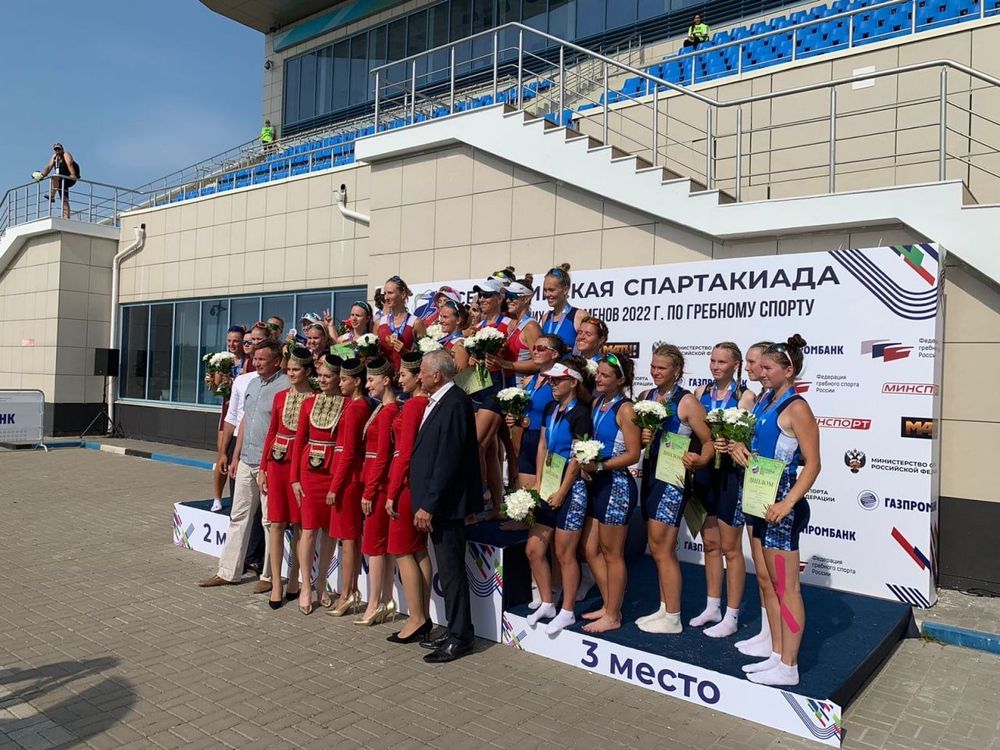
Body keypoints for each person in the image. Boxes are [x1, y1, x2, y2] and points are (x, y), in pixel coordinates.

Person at [726, 336, 819, 687]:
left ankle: (789, 666)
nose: (760, 373)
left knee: (787, 587)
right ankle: (778, 654)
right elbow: (759, 446)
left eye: (767, 368)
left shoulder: (797, 408)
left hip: (780, 505)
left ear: (788, 371)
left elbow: (813, 464)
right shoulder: (766, 400)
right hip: (758, 496)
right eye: (759, 367)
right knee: (770, 582)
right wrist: (738, 448)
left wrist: (787, 503)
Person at [409, 350, 483, 662]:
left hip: (447, 505)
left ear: (437, 375)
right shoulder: (441, 401)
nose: (419, 376)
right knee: (449, 570)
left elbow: (448, 460)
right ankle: (454, 628)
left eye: (423, 372)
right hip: (439, 503)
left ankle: (461, 636)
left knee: (452, 572)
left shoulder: (454, 403)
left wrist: (430, 504)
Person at [635, 344, 714, 634]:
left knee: (663, 546)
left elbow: (709, 441)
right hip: (650, 475)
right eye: (653, 367)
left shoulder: (687, 402)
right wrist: (642, 438)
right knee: (656, 546)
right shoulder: (646, 396)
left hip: (672, 479)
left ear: (676, 370)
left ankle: (673, 617)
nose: (655, 372)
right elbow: (637, 441)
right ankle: (664, 607)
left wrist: (700, 460)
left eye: (662, 368)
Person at [199, 340, 289, 588]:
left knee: (270, 521)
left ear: (276, 361)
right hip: (247, 460)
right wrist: (235, 455)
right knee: (238, 515)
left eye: (262, 359)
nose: (257, 363)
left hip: (269, 463)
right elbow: (245, 421)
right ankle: (228, 571)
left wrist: (270, 463)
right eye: (255, 359)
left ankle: (268, 576)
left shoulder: (285, 387)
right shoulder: (251, 383)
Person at [524, 359, 593, 636]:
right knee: (534, 549)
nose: (552, 384)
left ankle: (567, 611)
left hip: (571, 489)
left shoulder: (581, 414)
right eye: (551, 380)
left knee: (564, 554)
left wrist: (563, 490)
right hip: (549, 484)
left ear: (573, 382)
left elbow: (578, 457)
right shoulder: (551, 408)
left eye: (557, 380)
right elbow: (542, 445)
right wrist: (539, 483)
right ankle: (547, 602)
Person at [689, 342, 750, 637]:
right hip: (705, 474)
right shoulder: (700, 392)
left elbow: (749, 441)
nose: (715, 366)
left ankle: (732, 615)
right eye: (712, 361)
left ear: (735, 365)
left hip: (731, 477)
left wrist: (734, 444)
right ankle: (712, 606)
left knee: (731, 549)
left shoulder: (745, 397)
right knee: (711, 544)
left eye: (722, 362)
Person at [579, 354, 642, 634]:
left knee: (612, 553)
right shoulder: (597, 402)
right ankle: (609, 605)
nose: (599, 379)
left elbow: (633, 453)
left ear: (621, 380)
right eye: (599, 373)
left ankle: (614, 614)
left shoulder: (626, 409)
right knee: (590, 549)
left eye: (606, 375)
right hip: (597, 482)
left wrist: (601, 466)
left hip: (616, 485)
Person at [732, 341, 780, 657]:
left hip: (772, 492)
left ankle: (779, 642)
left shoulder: (783, 403)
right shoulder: (760, 399)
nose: (749, 368)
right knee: (762, 572)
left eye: (754, 362)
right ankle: (767, 631)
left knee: (775, 577)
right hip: (754, 486)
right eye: (749, 363)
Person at [290, 355, 345, 614]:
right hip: (309, 473)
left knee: (330, 531)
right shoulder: (308, 403)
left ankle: (321, 581)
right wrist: (294, 478)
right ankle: (305, 585)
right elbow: (299, 441)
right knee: (309, 530)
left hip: (333, 472)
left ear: (338, 378)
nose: (322, 380)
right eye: (320, 375)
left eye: (327, 376)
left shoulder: (347, 404)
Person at [259, 347, 313, 609]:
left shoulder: (315, 399)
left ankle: (295, 578)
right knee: (277, 523)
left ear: (307, 371)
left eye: (296, 369)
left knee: (300, 524)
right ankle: (276, 583)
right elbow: (271, 432)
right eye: (288, 369)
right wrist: (263, 467)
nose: (290, 374)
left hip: (301, 463)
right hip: (278, 463)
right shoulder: (280, 396)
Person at [385, 352, 433, 645]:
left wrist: (391, 492)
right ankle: (422, 616)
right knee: (418, 550)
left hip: (405, 484)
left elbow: (404, 452)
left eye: (403, 374)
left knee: (403, 551)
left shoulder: (415, 405)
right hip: (415, 483)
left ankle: (417, 617)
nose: (399, 379)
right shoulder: (423, 403)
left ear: (417, 377)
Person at [324, 358, 371, 617]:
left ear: (357, 382)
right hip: (347, 476)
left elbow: (350, 451)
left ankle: (348, 592)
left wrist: (335, 486)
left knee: (349, 539)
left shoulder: (356, 408)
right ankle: (348, 590)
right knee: (348, 538)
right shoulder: (355, 405)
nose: (340, 383)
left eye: (344, 379)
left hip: (349, 480)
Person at [356, 358, 400, 626]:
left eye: (371, 380)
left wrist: (369, 491)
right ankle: (384, 599)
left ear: (386, 380)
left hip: (378, 483)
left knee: (374, 544)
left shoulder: (388, 411)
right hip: (375, 480)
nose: (367, 385)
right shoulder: (384, 409)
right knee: (380, 545)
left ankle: (375, 602)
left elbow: (383, 455)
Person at [211, 325, 248, 512]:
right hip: (228, 410)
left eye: (236, 341)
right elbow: (216, 389)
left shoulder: (249, 361)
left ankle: (238, 497)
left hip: (243, 412)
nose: (232, 344)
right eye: (229, 341)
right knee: (222, 453)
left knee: (238, 456)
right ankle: (217, 497)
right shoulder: (224, 361)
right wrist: (214, 382)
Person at [377, 276, 426, 370]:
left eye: (390, 293)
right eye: (385, 293)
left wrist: (406, 352)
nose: (386, 297)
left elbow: (425, 356)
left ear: (403, 294)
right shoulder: (379, 323)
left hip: (407, 375)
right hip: (384, 377)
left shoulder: (416, 323)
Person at [539, 264, 589, 353]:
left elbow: (591, 350)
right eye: (545, 290)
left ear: (565, 290)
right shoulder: (546, 317)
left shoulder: (579, 316)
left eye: (551, 290)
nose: (547, 294)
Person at [36, 143, 78, 219]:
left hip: (70, 176)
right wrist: (41, 176)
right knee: (64, 198)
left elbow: (70, 163)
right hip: (61, 179)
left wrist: (73, 174)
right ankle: (66, 217)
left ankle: (52, 194)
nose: (57, 150)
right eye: (56, 149)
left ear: (62, 149)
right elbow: (49, 167)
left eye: (59, 149)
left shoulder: (66, 154)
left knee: (55, 177)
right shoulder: (55, 157)